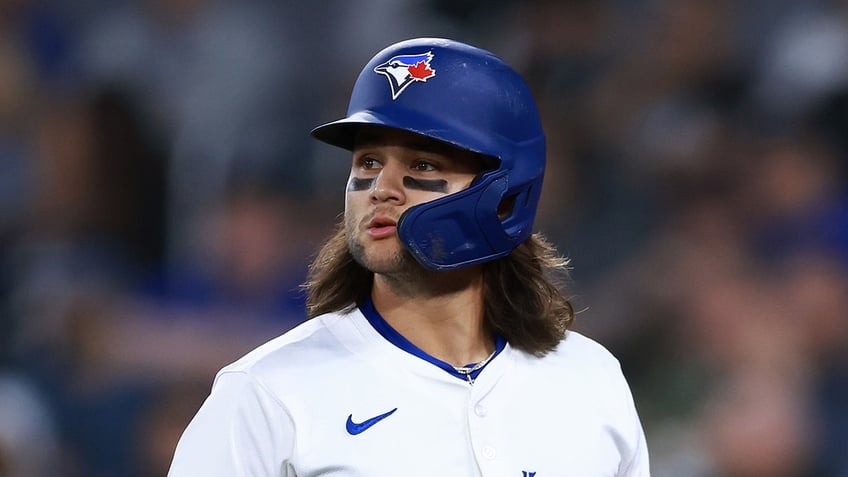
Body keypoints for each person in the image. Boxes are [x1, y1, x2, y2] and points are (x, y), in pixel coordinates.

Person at [168, 37, 650, 476]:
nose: (381, 189)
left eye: (422, 165)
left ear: (505, 195)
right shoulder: (267, 394)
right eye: (369, 162)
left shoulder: (590, 379)